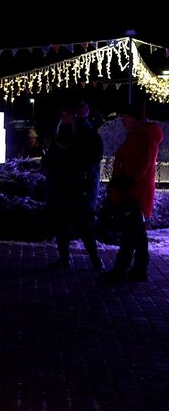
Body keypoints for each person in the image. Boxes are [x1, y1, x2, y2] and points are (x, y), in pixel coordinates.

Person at [103, 103, 162, 282]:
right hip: (133, 189)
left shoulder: (143, 136)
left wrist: (124, 180)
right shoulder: (140, 134)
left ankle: (122, 270)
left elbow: (141, 162)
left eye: (125, 118)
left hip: (134, 191)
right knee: (137, 232)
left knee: (131, 233)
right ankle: (138, 269)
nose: (123, 122)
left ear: (134, 118)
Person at [42, 105, 103, 270]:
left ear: (76, 116)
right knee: (62, 225)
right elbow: (50, 159)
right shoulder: (62, 133)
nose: (63, 116)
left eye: (66, 113)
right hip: (62, 187)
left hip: (78, 188)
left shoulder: (87, 135)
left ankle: (95, 260)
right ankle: (65, 258)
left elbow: (93, 159)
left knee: (83, 226)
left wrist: (70, 151)